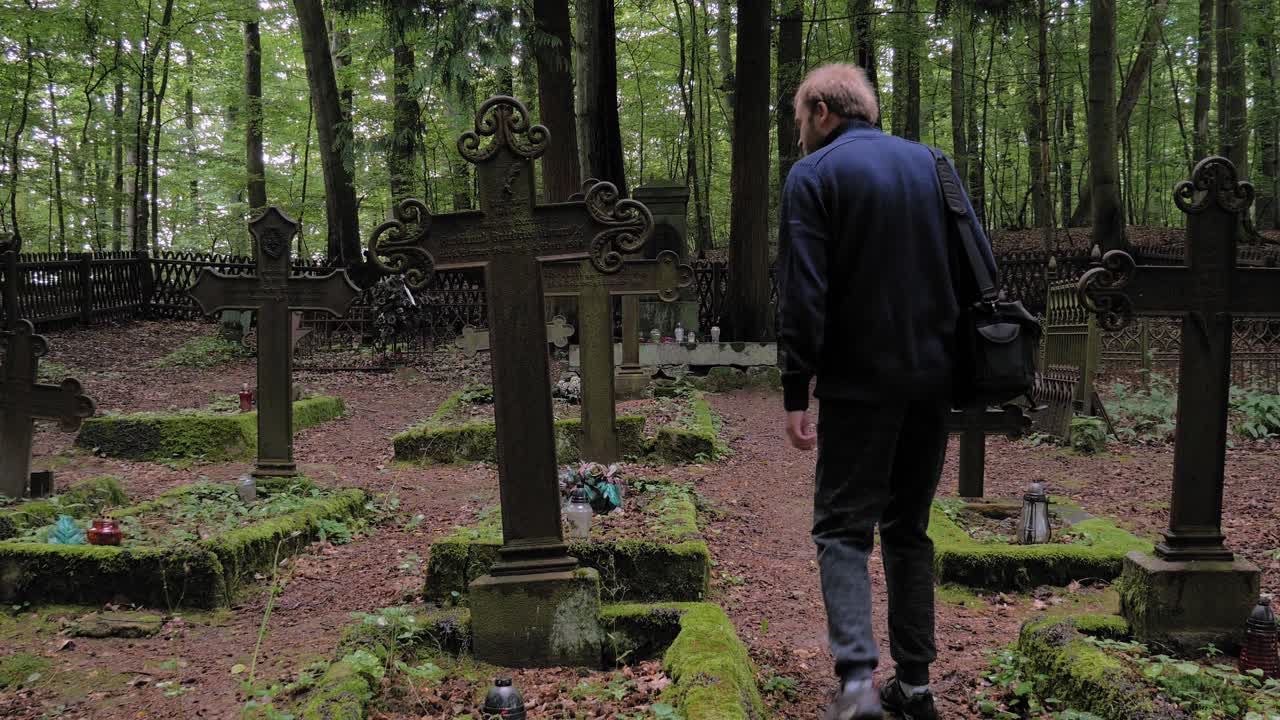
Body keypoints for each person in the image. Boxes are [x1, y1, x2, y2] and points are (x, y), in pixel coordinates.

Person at [776, 63, 996, 720]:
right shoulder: (934, 164)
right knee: (908, 527)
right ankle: (916, 686)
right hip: (933, 381)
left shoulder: (813, 175)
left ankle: (856, 685)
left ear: (822, 111)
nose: (799, 134)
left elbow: (803, 292)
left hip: (858, 384)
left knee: (842, 528)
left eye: (799, 121)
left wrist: (796, 387)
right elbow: (980, 269)